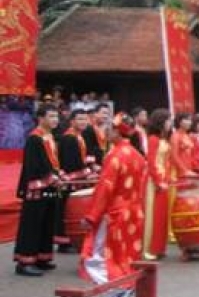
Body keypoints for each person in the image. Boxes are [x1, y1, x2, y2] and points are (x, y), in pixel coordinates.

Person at [79, 112, 147, 288]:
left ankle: (113, 290)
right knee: (127, 254)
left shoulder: (115, 155)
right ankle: (128, 287)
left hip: (114, 213)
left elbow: (105, 188)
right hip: (134, 211)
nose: (107, 132)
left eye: (110, 129)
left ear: (118, 132)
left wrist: (92, 216)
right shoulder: (137, 155)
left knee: (100, 256)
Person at [13, 105, 61, 277]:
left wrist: (57, 174)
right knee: (32, 224)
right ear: (41, 118)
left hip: (50, 187)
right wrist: (51, 178)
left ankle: (42, 257)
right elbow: (32, 167)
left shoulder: (50, 136)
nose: (56, 119)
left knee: (47, 222)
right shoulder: (34, 138)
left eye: (57, 116)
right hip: (37, 188)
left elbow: (53, 162)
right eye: (52, 116)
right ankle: (24, 262)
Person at [56, 109, 95, 254]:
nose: (83, 122)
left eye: (85, 119)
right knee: (66, 210)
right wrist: (86, 172)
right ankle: (63, 242)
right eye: (80, 119)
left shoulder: (79, 136)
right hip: (70, 178)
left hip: (77, 178)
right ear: (72, 121)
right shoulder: (69, 138)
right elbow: (70, 162)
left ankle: (69, 240)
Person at [143, 109, 171, 261]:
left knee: (161, 215)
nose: (170, 123)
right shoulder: (153, 139)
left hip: (164, 177)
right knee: (153, 215)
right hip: (155, 181)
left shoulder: (163, 138)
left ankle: (159, 247)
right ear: (161, 122)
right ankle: (149, 248)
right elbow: (151, 162)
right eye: (168, 120)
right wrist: (158, 180)